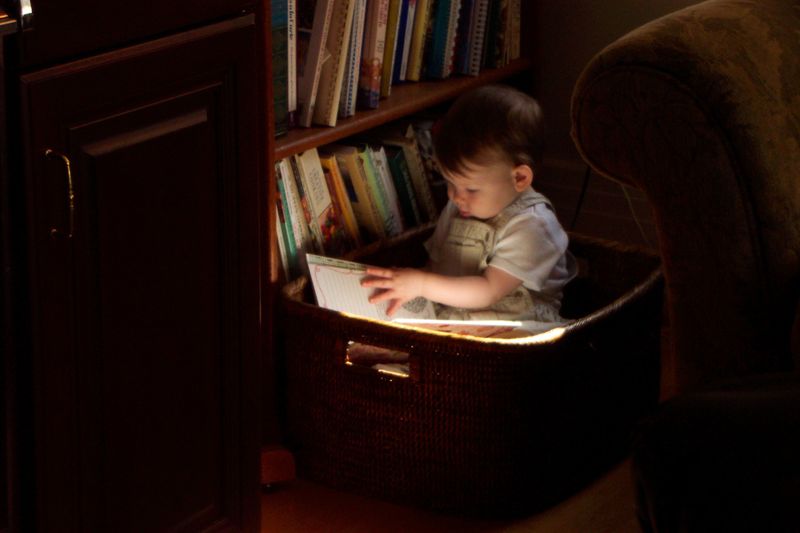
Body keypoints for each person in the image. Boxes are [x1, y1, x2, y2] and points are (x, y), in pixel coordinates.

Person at [361, 84, 577, 323]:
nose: (455, 196)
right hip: (461, 315)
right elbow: (437, 266)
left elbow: (489, 290)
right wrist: (405, 283)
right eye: (449, 183)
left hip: (517, 325)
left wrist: (421, 284)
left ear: (519, 178)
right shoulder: (459, 206)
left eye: (471, 188)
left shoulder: (533, 226)